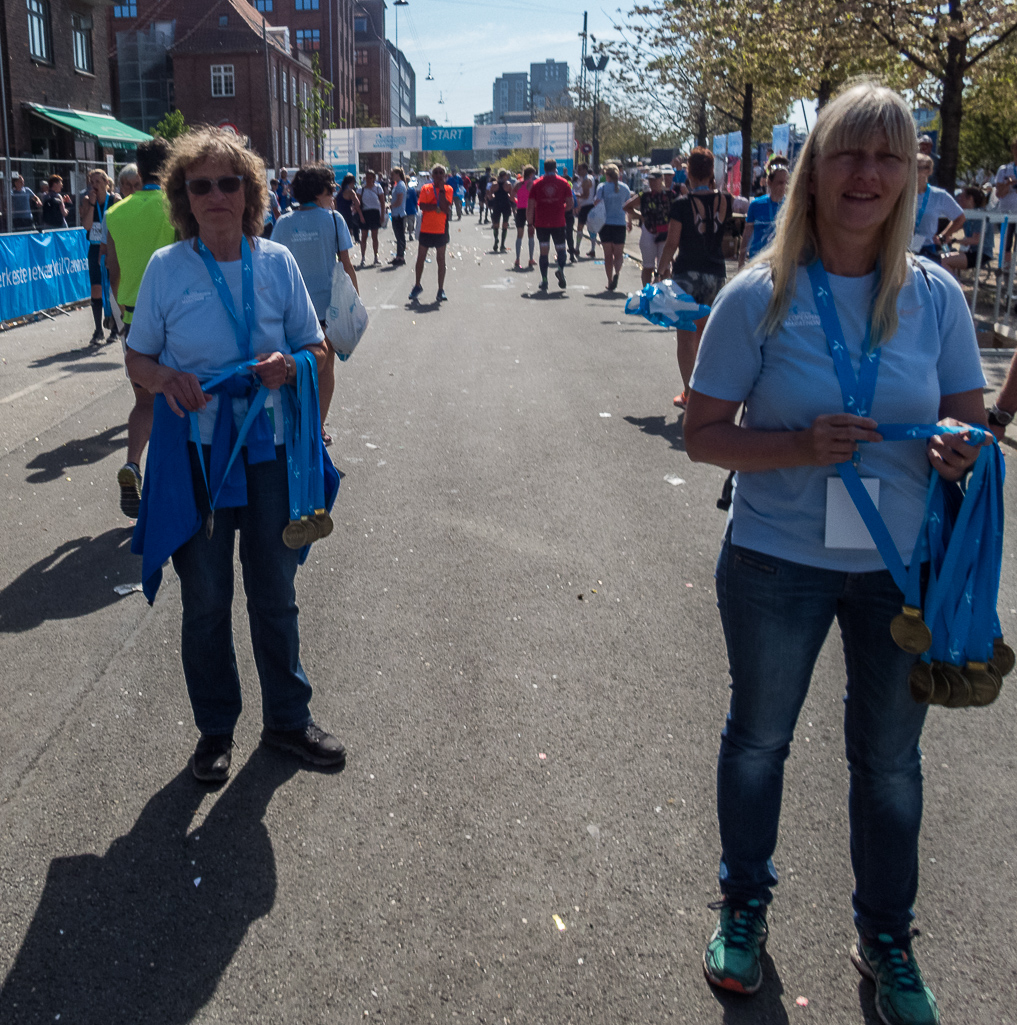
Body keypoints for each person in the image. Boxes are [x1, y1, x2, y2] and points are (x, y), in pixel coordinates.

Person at [682, 80, 987, 1025]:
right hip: (776, 561)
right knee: (759, 740)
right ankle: (744, 905)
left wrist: (957, 451)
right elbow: (702, 432)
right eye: (848, 154)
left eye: (887, 156)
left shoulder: (935, 297)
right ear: (813, 171)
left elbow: (969, 427)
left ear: (911, 177)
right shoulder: (756, 296)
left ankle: (886, 938)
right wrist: (794, 448)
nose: (866, 174)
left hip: (898, 571)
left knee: (890, 764)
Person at [124, 127, 345, 782]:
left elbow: (318, 348)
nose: (216, 194)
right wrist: (164, 379)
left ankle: (287, 720)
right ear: (183, 197)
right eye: (201, 184)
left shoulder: (275, 262)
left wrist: (292, 363)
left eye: (229, 182)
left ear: (249, 192)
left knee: (274, 592)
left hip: (270, 450)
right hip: (196, 454)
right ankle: (215, 729)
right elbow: (137, 357)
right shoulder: (167, 268)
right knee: (207, 599)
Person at [105, 137, 177, 519]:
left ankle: (133, 464)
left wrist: (123, 316)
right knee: (185, 400)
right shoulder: (177, 208)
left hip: (132, 319)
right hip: (174, 318)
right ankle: (173, 487)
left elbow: (113, 275)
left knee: (144, 402)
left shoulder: (115, 212)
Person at [270, 162, 359, 445]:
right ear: (320, 190)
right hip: (327, 311)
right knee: (325, 370)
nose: (333, 193)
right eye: (331, 188)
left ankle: (299, 426)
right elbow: (346, 266)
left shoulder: (283, 222)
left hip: (291, 312)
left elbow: (273, 267)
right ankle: (317, 429)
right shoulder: (333, 219)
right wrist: (354, 303)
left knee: (295, 371)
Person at [657, 147, 732, 409]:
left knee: (686, 336)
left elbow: (671, 243)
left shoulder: (682, 204)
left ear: (688, 172)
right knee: (704, 335)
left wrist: (660, 270)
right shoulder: (726, 201)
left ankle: (690, 395)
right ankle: (706, 391)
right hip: (715, 273)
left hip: (687, 273)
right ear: (712, 172)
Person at [79, 168, 120, 346]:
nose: (94, 185)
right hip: (95, 248)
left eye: (98, 181)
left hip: (112, 248)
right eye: (92, 182)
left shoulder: (115, 200)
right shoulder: (88, 201)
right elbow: (87, 226)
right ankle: (98, 330)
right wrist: (92, 205)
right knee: (96, 288)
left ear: (106, 182)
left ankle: (115, 329)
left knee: (113, 287)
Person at [526, 158, 572, 292]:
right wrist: (560, 208)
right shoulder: (564, 183)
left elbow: (530, 206)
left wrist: (530, 224)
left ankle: (544, 280)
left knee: (544, 252)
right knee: (561, 249)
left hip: (542, 222)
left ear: (544, 168)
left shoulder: (536, 184)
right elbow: (570, 204)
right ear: (555, 168)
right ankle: (560, 269)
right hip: (558, 221)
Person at [409, 163, 453, 303]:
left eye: (441, 173)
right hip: (426, 228)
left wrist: (440, 192)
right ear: (432, 175)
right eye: (436, 173)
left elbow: (446, 208)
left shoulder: (448, 189)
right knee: (420, 258)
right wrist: (436, 206)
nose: (439, 175)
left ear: (445, 176)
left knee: (441, 259)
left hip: (441, 229)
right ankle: (417, 285)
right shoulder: (426, 188)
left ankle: (441, 289)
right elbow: (422, 206)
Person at [738, 159, 790, 268]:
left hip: (780, 261)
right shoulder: (756, 204)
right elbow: (747, 233)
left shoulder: (790, 206)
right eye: (780, 182)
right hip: (757, 260)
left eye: (786, 182)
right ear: (769, 183)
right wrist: (741, 260)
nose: (784, 186)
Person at [911, 153, 964, 260]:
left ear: (929, 171)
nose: (914, 171)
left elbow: (960, 218)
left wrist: (943, 236)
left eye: (919, 168)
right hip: (900, 247)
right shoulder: (901, 193)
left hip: (926, 249)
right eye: (911, 166)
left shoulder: (939, 195)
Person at [624, 168, 670, 286]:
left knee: (665, 266)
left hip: (665, 232)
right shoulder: (644, 195)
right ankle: (647, 290)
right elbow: (627, 207)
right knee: (648, 265)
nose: (652, 183)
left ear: (661, 180)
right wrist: (640, 216)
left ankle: (665, 292)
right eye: (650, 180)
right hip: (649, 230)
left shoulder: (669, 195)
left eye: (655, 180)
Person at [940, 185, 995, 281]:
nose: (958, 200)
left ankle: (955, 288)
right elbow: (955, 224)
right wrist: (943, 236)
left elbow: (975, 240)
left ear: (970, 199)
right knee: (943, 256)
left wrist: (954, 240)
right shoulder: (967, 214)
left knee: (944, 260)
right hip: (970, 251)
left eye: (961, 197)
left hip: (981, 253)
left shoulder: (979, 215)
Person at [591, 163, 632, 291]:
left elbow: (596, 202)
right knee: (618, 255)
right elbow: (629, 207)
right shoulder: (625, 188)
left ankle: (609, 281)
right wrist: (629, 221)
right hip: (620, 224)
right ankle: (617, 274)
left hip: (605, 224)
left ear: (606, 175)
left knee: (608, 255)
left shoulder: (601, 187)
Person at [990, 134, 1017, 267]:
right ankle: (1006, 266)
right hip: (1006, 210)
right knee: (1006, 241)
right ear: (1013, 150)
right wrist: (1009, 184)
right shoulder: (1004, 169)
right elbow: (999, 193)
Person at [357, 170, 385, 266]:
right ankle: (363, 258)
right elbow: (357, 204)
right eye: (367, 177)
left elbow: (382, 202)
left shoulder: (378, 188)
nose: (368, 179)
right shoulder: (361, 189)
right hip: (365, 213)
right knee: (364, 236)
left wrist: (382, 215)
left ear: (374, 178)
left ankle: (376, 257)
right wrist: (360, 215)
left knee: (374, 236)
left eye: (370, 177)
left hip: (375, 213)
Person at [513, 165, 537, 269]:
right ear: (531, 174)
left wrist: (517, 202)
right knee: (531, 233)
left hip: (521, 210)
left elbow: (511, 195)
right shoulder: (532, 184)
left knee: (519, 234)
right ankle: (531, 258)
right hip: (530, 209)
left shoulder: (518, 184)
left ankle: (517, 258)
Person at [487, 170, 514, 253]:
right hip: (506, 204)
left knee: (496, 224)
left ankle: (496, 240)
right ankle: (502, 244)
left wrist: (492, 198)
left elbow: (490, 195)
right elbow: (512, 195)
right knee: (505, 224)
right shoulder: (508, 184)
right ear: (505, 175)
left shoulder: (494, 184)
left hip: (497, 204)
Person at [574, 162, 597, 256]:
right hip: (589, 205)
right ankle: (592, 249)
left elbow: (586, 195)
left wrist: (575, 195)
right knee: (591, 228)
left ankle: (577, 248)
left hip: (586, 206)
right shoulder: (588, 178)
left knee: (580, 227)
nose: (578, 171)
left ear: (584, 170)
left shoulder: (586, 180)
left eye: (579, 169)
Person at [334, 173, 362, 248]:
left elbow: (335, 202)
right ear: (352, 182)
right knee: (348, 233)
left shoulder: (341, 191)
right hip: (347, 214)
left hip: (339, 213)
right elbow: (358, 203)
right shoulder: (350, 191)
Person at [388, 167, 408, 265]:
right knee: (398, 236)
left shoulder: (400, 185)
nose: (391, 177)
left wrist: (391, 205)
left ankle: (401, 257)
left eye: (393, 174)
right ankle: (398, 256)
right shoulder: (398, 185)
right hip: (396, 213)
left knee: (400, 236)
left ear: (397, 174)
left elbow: (399, 201)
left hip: (399, 214)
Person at [403, 177, 418, 241]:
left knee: (410, 223)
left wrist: (416, 207)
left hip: (411, 209)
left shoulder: (412, 190)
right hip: (403, 209)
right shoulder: (401, 190)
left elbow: (415, 200)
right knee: (404, 224)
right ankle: (404, 235)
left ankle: (410, 234)